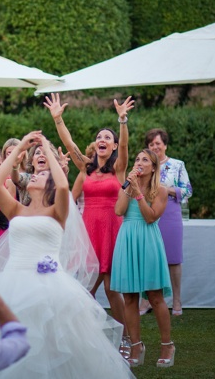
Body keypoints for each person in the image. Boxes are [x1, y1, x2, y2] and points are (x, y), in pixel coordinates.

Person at [0, 131, 134, 378]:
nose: (36, 175)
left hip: (51, 285)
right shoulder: (16, 209)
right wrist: (21, 146)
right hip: (13, 282)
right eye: (37, 172)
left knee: (52, 346)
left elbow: (63, 184)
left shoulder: (58, 211)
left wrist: (47, 149)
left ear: (50, 183)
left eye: (42, 175)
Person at [44, 92, 134, 353]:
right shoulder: (86, 168)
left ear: (114, 146)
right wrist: (58, 120)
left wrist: (122, 121)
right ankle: (84, 338)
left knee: (111, 287)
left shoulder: (120, 168)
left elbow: (126, 147)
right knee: (83, 288)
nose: (102, 140)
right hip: (88, 232)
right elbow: (70, 144)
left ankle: (124, 339)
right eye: (99, 137)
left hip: (112, 230)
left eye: (108, 138)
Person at [112, 149, 174, 368]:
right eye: (137, 159)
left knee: (155, 297)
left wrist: (138, 193)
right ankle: (136, 345)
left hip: (147, 240)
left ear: (154, 167)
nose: (139, 163)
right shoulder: (127, 185)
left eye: (144, 160)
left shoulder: (162, 191)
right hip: (127, 238)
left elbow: (150, 218)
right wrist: (129, 188)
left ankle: (167, 345)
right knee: (129, 298)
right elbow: (119, 211)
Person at [139, 128, 192, 316]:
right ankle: (146, 301)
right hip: (148, 213)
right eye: (151, 144)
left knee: (173, 259)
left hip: (170, 214)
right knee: (148, 258)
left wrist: (166, 190)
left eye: (158, 143)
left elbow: (187, 190)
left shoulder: (177, 165)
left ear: (165, 145)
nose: (155, 147)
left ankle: (176, 300)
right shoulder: (143, 165)